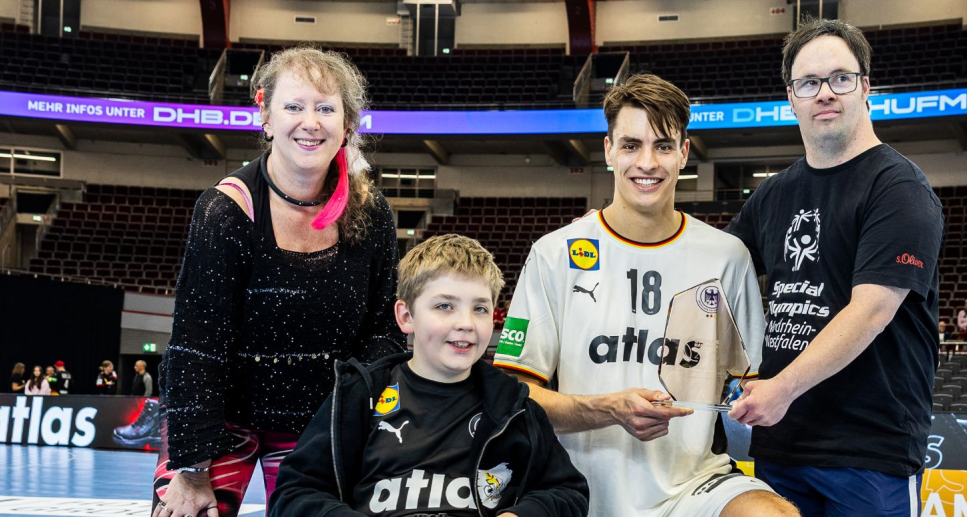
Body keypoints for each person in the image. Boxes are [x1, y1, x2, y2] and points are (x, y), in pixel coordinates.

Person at [495, 74, 794, 517]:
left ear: (684, 153)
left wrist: (754, 395)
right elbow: (517, 393)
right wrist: (609, 409)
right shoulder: (554, 254)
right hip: (575, 488)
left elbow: (751, 383)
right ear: (609, 151)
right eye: (632, 145)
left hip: (695, 485)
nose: (647, 162)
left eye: (664, 145)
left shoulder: (727, 257)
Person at [154, 46, 404, 517]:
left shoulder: (372, 215)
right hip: (221, 419)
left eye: (326, 108)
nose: (310, 121)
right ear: (265, 116)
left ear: (347, 125)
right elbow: (195, 345)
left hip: (318, 420)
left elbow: (384, 334)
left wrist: (352, 426)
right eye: (294, 106)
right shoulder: (225, 210)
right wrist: (190, 469)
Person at [720, 18, 944, 517]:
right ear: (791, 96)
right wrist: (622, 224)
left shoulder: (899, 188)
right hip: (782, 442)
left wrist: (781, 389)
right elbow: (714, 268)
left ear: (866, 87)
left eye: (840, 78)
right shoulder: (774, 193)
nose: (824, 93)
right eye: (808, 83)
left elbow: (870, 312)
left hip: (868, 452)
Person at [273, 235, 590, 516]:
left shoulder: (514, 407)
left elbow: (568, 493)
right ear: (406, 316)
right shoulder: (360, 395)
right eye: (445, 306)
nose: (466, 323)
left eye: (480, 308)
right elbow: (295, 493)